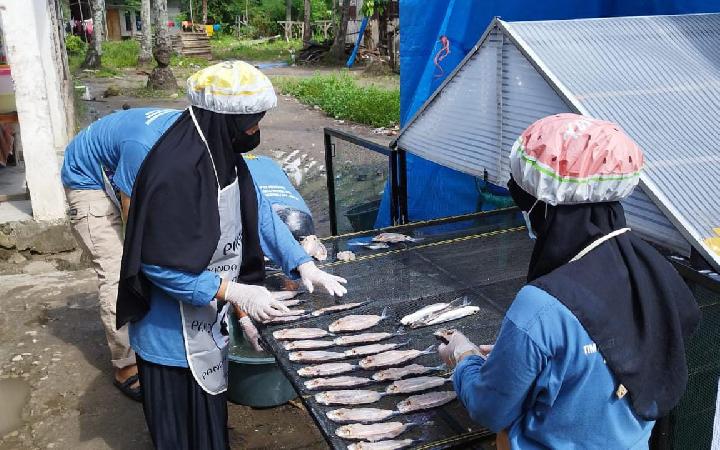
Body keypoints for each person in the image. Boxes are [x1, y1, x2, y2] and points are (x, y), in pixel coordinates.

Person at [115, 61, 346, 450]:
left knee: (208, 425)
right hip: (170, 338)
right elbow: (157, 263)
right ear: (223, 119)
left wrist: (302, 262)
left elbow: (260, 215)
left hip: (207, 323)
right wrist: (234, 292)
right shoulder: (176, 172)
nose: (256, 130)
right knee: (180, 435)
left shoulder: (222, 152)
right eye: (251, 123)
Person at [439, 113, 700, 449]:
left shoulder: (541, 307)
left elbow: (490, 408)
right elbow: (613, 355)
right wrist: (522, 358)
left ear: (545, 208)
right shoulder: (652, 269)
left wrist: (464, 358)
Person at [61, 107, 184, 400]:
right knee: (118, 269)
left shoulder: (188, 132)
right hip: (88, 182)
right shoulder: (143, 145)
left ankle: (151, 334)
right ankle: (126, 365)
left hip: (115, 172)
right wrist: (140, 257)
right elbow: (132, 209)